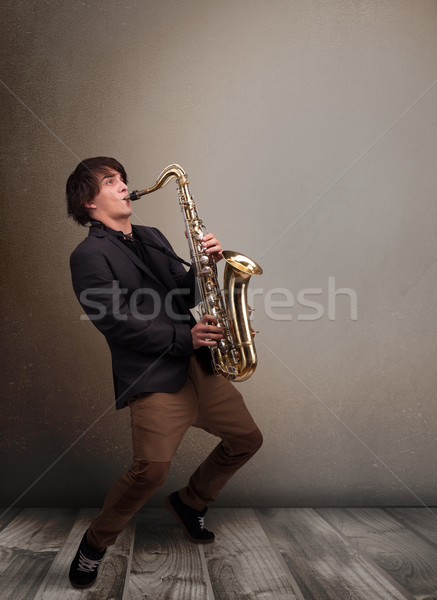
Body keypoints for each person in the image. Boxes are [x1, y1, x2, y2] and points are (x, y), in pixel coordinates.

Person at [66, 157, 262, 588]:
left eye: (122, 179)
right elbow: (114, 319)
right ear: (88, 202)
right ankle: (94, 545)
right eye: (110, 182)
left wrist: (205, 263)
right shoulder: (87, 255)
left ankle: (191, 502)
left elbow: (183, 290)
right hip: (154, 373)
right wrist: (184, 339)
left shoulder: (151, 237)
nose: (123, 186)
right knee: (150, 471)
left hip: (199, 364)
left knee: (247, 439)